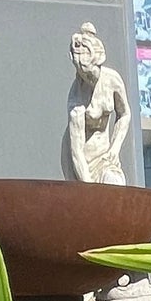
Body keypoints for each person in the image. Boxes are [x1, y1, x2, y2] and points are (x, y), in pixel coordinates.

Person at [65, 23, 131, 182]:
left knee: (115, 184)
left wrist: (115, 148)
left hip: (105, 157)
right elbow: (76, 152)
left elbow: (125, 114)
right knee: (88, 203)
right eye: (84, 75)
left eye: (92, 73)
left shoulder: (112, 80)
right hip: (80, 162)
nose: (89, 78)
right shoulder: (76, 101)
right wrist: (89, 187)